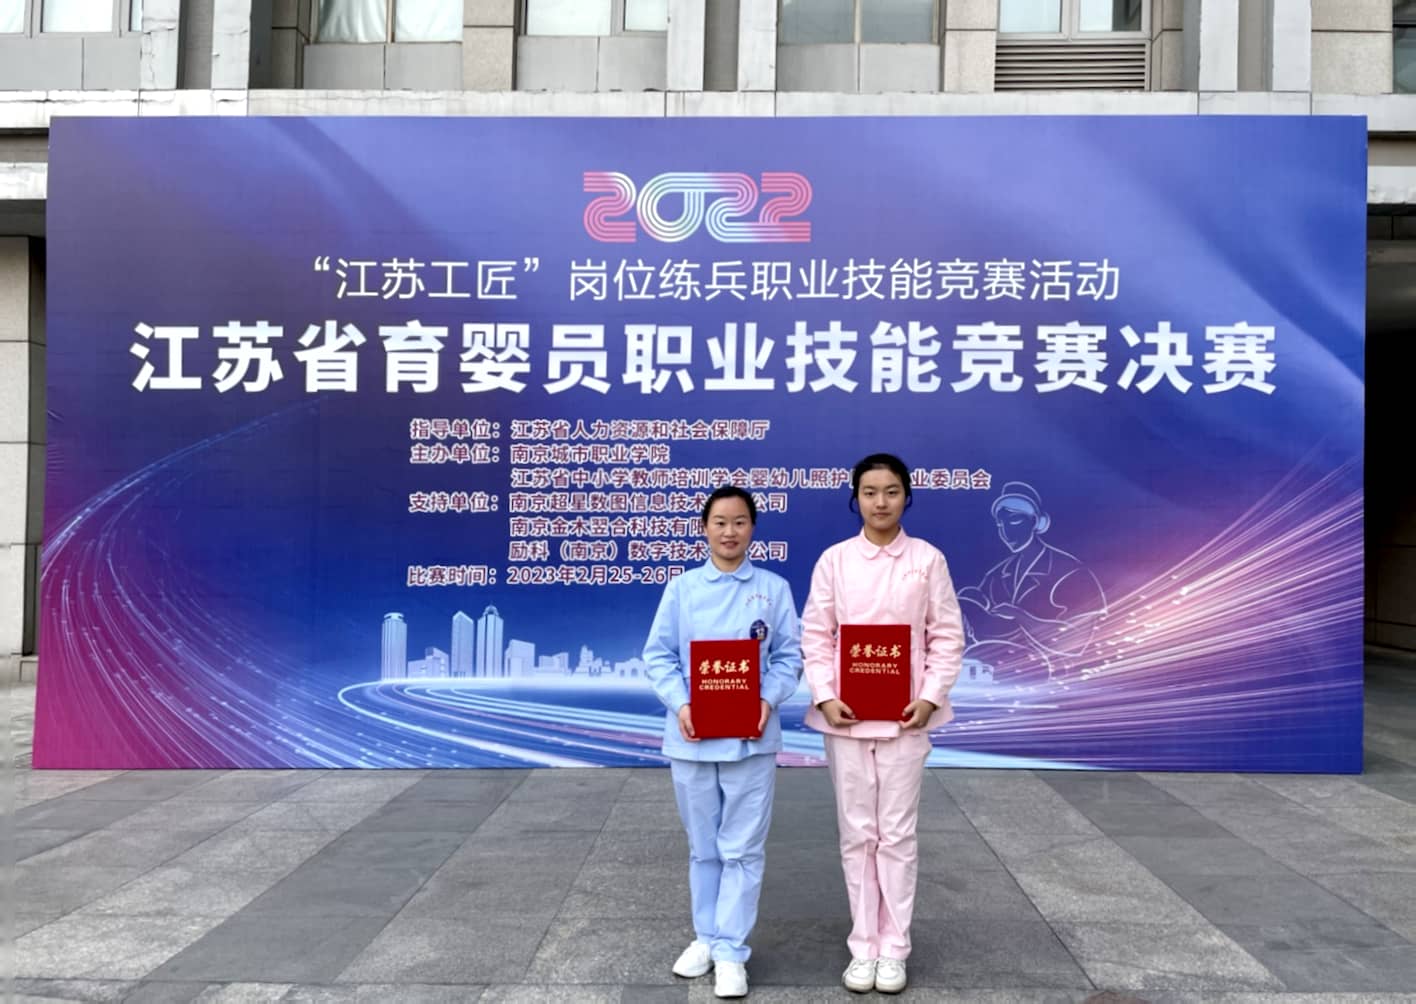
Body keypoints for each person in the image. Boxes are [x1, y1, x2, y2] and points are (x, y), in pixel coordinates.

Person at [801, 453, 964, 995]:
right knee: (857, 834)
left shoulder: (927, 559)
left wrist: (929, 697)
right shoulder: (835, 560)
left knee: (896, 833)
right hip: (846, 718)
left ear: (906, 497)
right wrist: (825, 696)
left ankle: (894, 948)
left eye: (891, 491)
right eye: (869, 492)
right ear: (855, 498)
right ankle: (862, 946)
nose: (880, 502)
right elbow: (816, 635)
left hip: (905, 718)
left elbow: (946, 636)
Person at [643, 485, 803, 999]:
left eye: (739, 522)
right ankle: (705, 938)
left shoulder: (773, 589)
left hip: (750, 736)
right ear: (704, 528)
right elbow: (658, 655)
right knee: (703, 846)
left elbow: (789, 657)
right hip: (692, 735)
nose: (729, 532)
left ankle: (732, 950)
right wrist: (682, 704)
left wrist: (767, 699)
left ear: (752, 528)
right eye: (720, 522)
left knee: (742, 847)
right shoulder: (682, 589)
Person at [957, 481, 1106, 682]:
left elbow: (1076, 642)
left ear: (1036, 522)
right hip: (998, 675)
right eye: (1001, 524)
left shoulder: (1070, 572)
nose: (1006, 531)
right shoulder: (997, 575)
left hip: (1056, 679)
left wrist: (1021, 616)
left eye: (1014, 521)